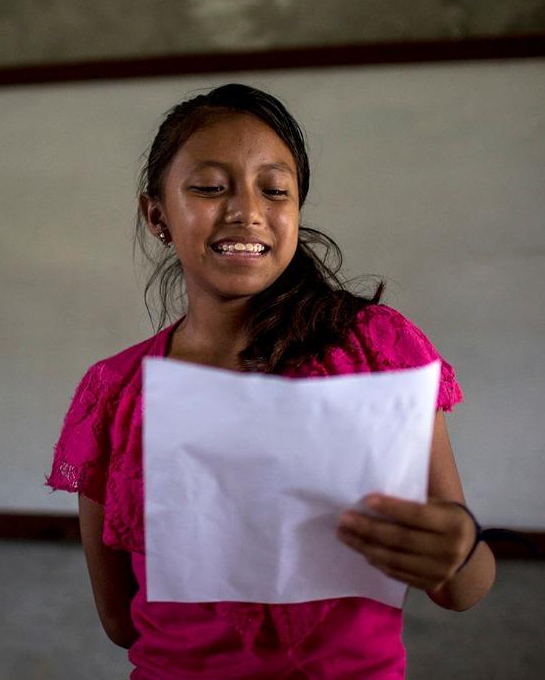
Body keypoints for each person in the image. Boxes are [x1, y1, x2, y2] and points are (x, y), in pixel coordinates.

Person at [47, 83, 495, 678]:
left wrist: (457, 551)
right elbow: (122, 623)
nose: (247, 211)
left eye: (275, 190)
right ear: (155, 214)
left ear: (296, 211)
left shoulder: (374, 350)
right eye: (209, 187)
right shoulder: (116, 390)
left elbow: (463, 588)